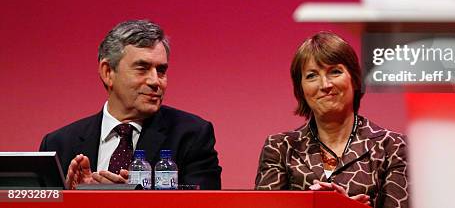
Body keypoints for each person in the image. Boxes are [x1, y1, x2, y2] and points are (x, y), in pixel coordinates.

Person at [39, 20, 222, 190]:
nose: (155, 81)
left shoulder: (192, 136)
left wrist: (134, 199)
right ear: (108, 72)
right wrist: (73, 200)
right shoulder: (58, 144)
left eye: (161, 70)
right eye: (142, 68)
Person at [255, 32, 409, 208]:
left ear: (356, 80)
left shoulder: (393, 147)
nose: (325, 85)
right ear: (301, 89)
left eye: (335, 72)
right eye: (311, 75)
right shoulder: (280, 148)